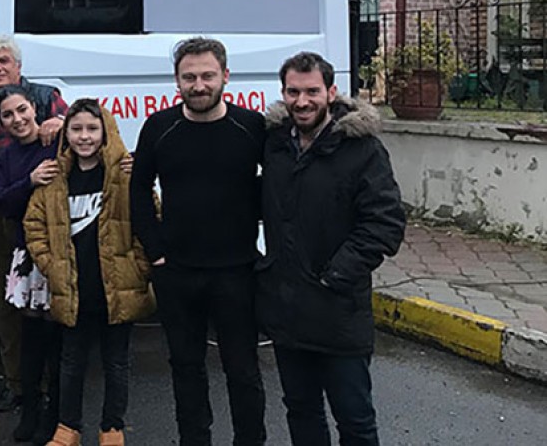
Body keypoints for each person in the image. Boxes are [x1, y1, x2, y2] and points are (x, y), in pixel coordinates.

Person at [258, 52, 405, 446]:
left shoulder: (362, 149)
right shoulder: (276, 145)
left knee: (355, 421)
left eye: (312, 91)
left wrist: (334, 275)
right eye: (293, 92)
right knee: (301, 411)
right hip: (288, 313)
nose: (302, 101)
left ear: (331, 92)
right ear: (283, 93)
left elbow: (385, 223)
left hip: (339, 312)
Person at [130, 37, 268, 446]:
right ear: (177, 81)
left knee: (243, 370)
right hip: (177, 271)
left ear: (226, 76)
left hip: (238, 270)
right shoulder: (159, 127)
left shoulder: (252, 127)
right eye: (189, 77)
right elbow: (138, 190)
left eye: (208, 75)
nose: (199, 85)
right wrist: (154, 251)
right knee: (185, 368)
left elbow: (279, 184)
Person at [25, 99, 154, 446]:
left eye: (92, 129)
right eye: (77, 129)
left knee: (116, 363)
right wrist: (50, 265)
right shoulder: (54, 177)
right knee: (70, 363)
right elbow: (34, 225)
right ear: (66, 133)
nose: (84, 137)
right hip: (72, 289)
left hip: (117, 288)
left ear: (106, 131)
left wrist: (138, 268)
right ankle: (68, 428)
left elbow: (149, 218)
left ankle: (112, 427)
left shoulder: (125, 175)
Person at [0, 34, 68, 412]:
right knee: (5, 306)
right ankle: (17, 384)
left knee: (48, 305)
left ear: (18, 66)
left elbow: (86, 129)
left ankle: (55, 385)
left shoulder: (45, 97)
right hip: (0, 217)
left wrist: (61, 121)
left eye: (3, 61)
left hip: (46, 223)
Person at [0, 86, 62, 445]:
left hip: (60, 252)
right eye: (8, 115)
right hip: (27, 256)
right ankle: (30, 408)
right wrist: (29, 181)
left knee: (58, 339)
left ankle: (56, 413)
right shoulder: (8, 156)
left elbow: (96, 134)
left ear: (34, 108)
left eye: (21, 110)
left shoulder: (57, 141)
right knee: (30, 337)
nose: (17, 119)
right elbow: (2, 200)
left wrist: (62, 120)